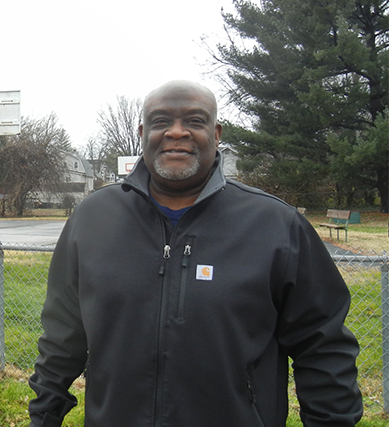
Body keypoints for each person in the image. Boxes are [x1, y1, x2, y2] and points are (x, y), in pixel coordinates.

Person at [28, 80, 362, 426]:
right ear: (143, 132)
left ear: (216, 133)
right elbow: (62, 337)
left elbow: (323, 348)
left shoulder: (276, 225)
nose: (176, 132)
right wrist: (43, 416)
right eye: (161, 121)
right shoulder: (92, 219)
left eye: (194, 120)